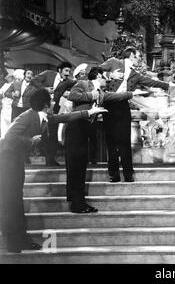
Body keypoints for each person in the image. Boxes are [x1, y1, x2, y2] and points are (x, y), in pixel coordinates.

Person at [0, 89, 106, 253]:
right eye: (50, 100)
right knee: (11, 202)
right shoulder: (26, 116)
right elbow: (8, 138)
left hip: (15, 160)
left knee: (16, 200)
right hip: (7, 161)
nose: (53, 102)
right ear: (44, 104)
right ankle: (15, 243)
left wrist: (89, 112)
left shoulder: (45, 116)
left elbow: (65, 117)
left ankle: (21, 240)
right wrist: (30, 141)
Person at [66, 67, 137, 213]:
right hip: (75, 128)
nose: (108, 80)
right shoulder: (84, 84)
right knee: (75, 167)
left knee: (81, 167)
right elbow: (72, 95)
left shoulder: (102, 94)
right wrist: (91, 95)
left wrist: (133, 93)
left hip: (84, 129)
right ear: (98, 76)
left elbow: (116, 96)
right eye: (106, 77)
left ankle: (78, 202)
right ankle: (76, 203)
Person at [99, 47, 172, 182]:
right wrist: (109, 76)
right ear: (132, 55)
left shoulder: (135, 74)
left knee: (125, 141)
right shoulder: (114, 62)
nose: (140, 59)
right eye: (138, 56)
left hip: (123, 107)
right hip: (109, 106)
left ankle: (128, 174)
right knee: (111, 142)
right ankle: (113, 174)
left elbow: (150, 82)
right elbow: (94, 72)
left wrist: (168, 85)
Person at [30, 62, 73, 166]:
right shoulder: (48, 73)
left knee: (53, 135)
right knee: (43, 134)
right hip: (42, 109)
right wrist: (44, 89)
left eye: (69, 71)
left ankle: (51, 159)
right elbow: (33, 80)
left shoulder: (68, 81)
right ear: (59, 70)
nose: (67, 73)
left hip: (55, 111)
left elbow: (78, 84)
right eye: (66, 71)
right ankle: (43, 157)